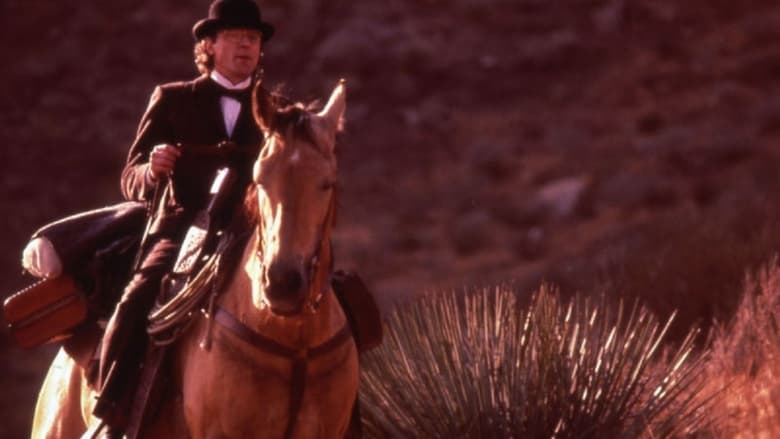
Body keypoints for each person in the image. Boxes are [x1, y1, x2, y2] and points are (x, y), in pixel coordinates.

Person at [93, 0, 274, 436]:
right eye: (234, 37)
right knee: (138, 296)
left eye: (252, 38)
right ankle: (110, 406)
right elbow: (130, 176)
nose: (245, 45)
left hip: (255, 231)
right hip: (182, 229)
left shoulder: (276, 108)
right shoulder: (172, 99)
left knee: (327, 297)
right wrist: (152, 170)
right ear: (209, 45)